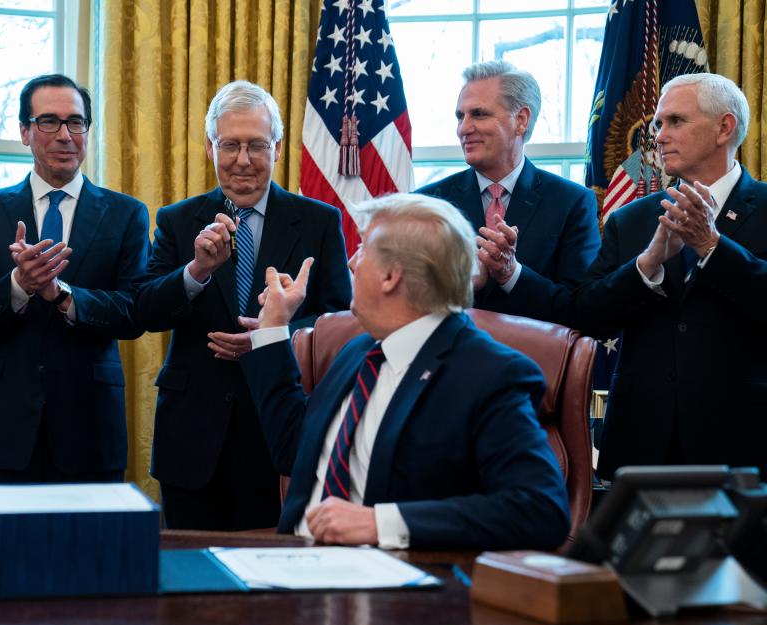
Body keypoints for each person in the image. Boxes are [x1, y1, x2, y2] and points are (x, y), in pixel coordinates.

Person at [477, 72, 767, 479]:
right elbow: (583, 313)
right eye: (658, 124)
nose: (660, 136)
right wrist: (645, 266)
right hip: (643, 443)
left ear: (724, 128)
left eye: (676, 122)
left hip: (745, 442)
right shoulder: (632, 220)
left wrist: (712, 247)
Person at [239, 192, 569, 549]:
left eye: (363, 249)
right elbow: (295, 450)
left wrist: (380, 523)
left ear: (391, 276)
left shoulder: (490, 374)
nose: (351, 263)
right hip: (291, 566)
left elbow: (540, 510)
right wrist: (273, 328)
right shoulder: (359, 352)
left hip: (389, 586)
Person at [138, 80, 352, 530]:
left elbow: (341, 319)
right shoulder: (177, 220)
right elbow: (145, 310)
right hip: (192, 437)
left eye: (256, 145)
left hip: (277, 428)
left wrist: (273, 335)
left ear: (277, 148)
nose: (242, 159)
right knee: (188, 581)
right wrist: (195, 271)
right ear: (209, 146)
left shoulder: (319, 221)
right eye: (229, 145)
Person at [0, 74, 150, 482]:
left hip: (90, 428)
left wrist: (62, 295)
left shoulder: (127, 213)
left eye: (76, 122)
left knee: (90, 548)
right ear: (25, 132)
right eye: (49, 122)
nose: (64, 135)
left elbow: (134, 313)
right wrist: (19, 285)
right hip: (3, 432)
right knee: (1, 547)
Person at [416, 60, 599, 309]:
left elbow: (581, 308)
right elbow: (405, 301)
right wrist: (461, 286)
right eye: (461, 116)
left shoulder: (571, 203)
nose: (464, 128)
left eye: (479, 114)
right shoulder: (426, 204)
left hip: (535, 348)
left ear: (521, 120)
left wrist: (511, 274)